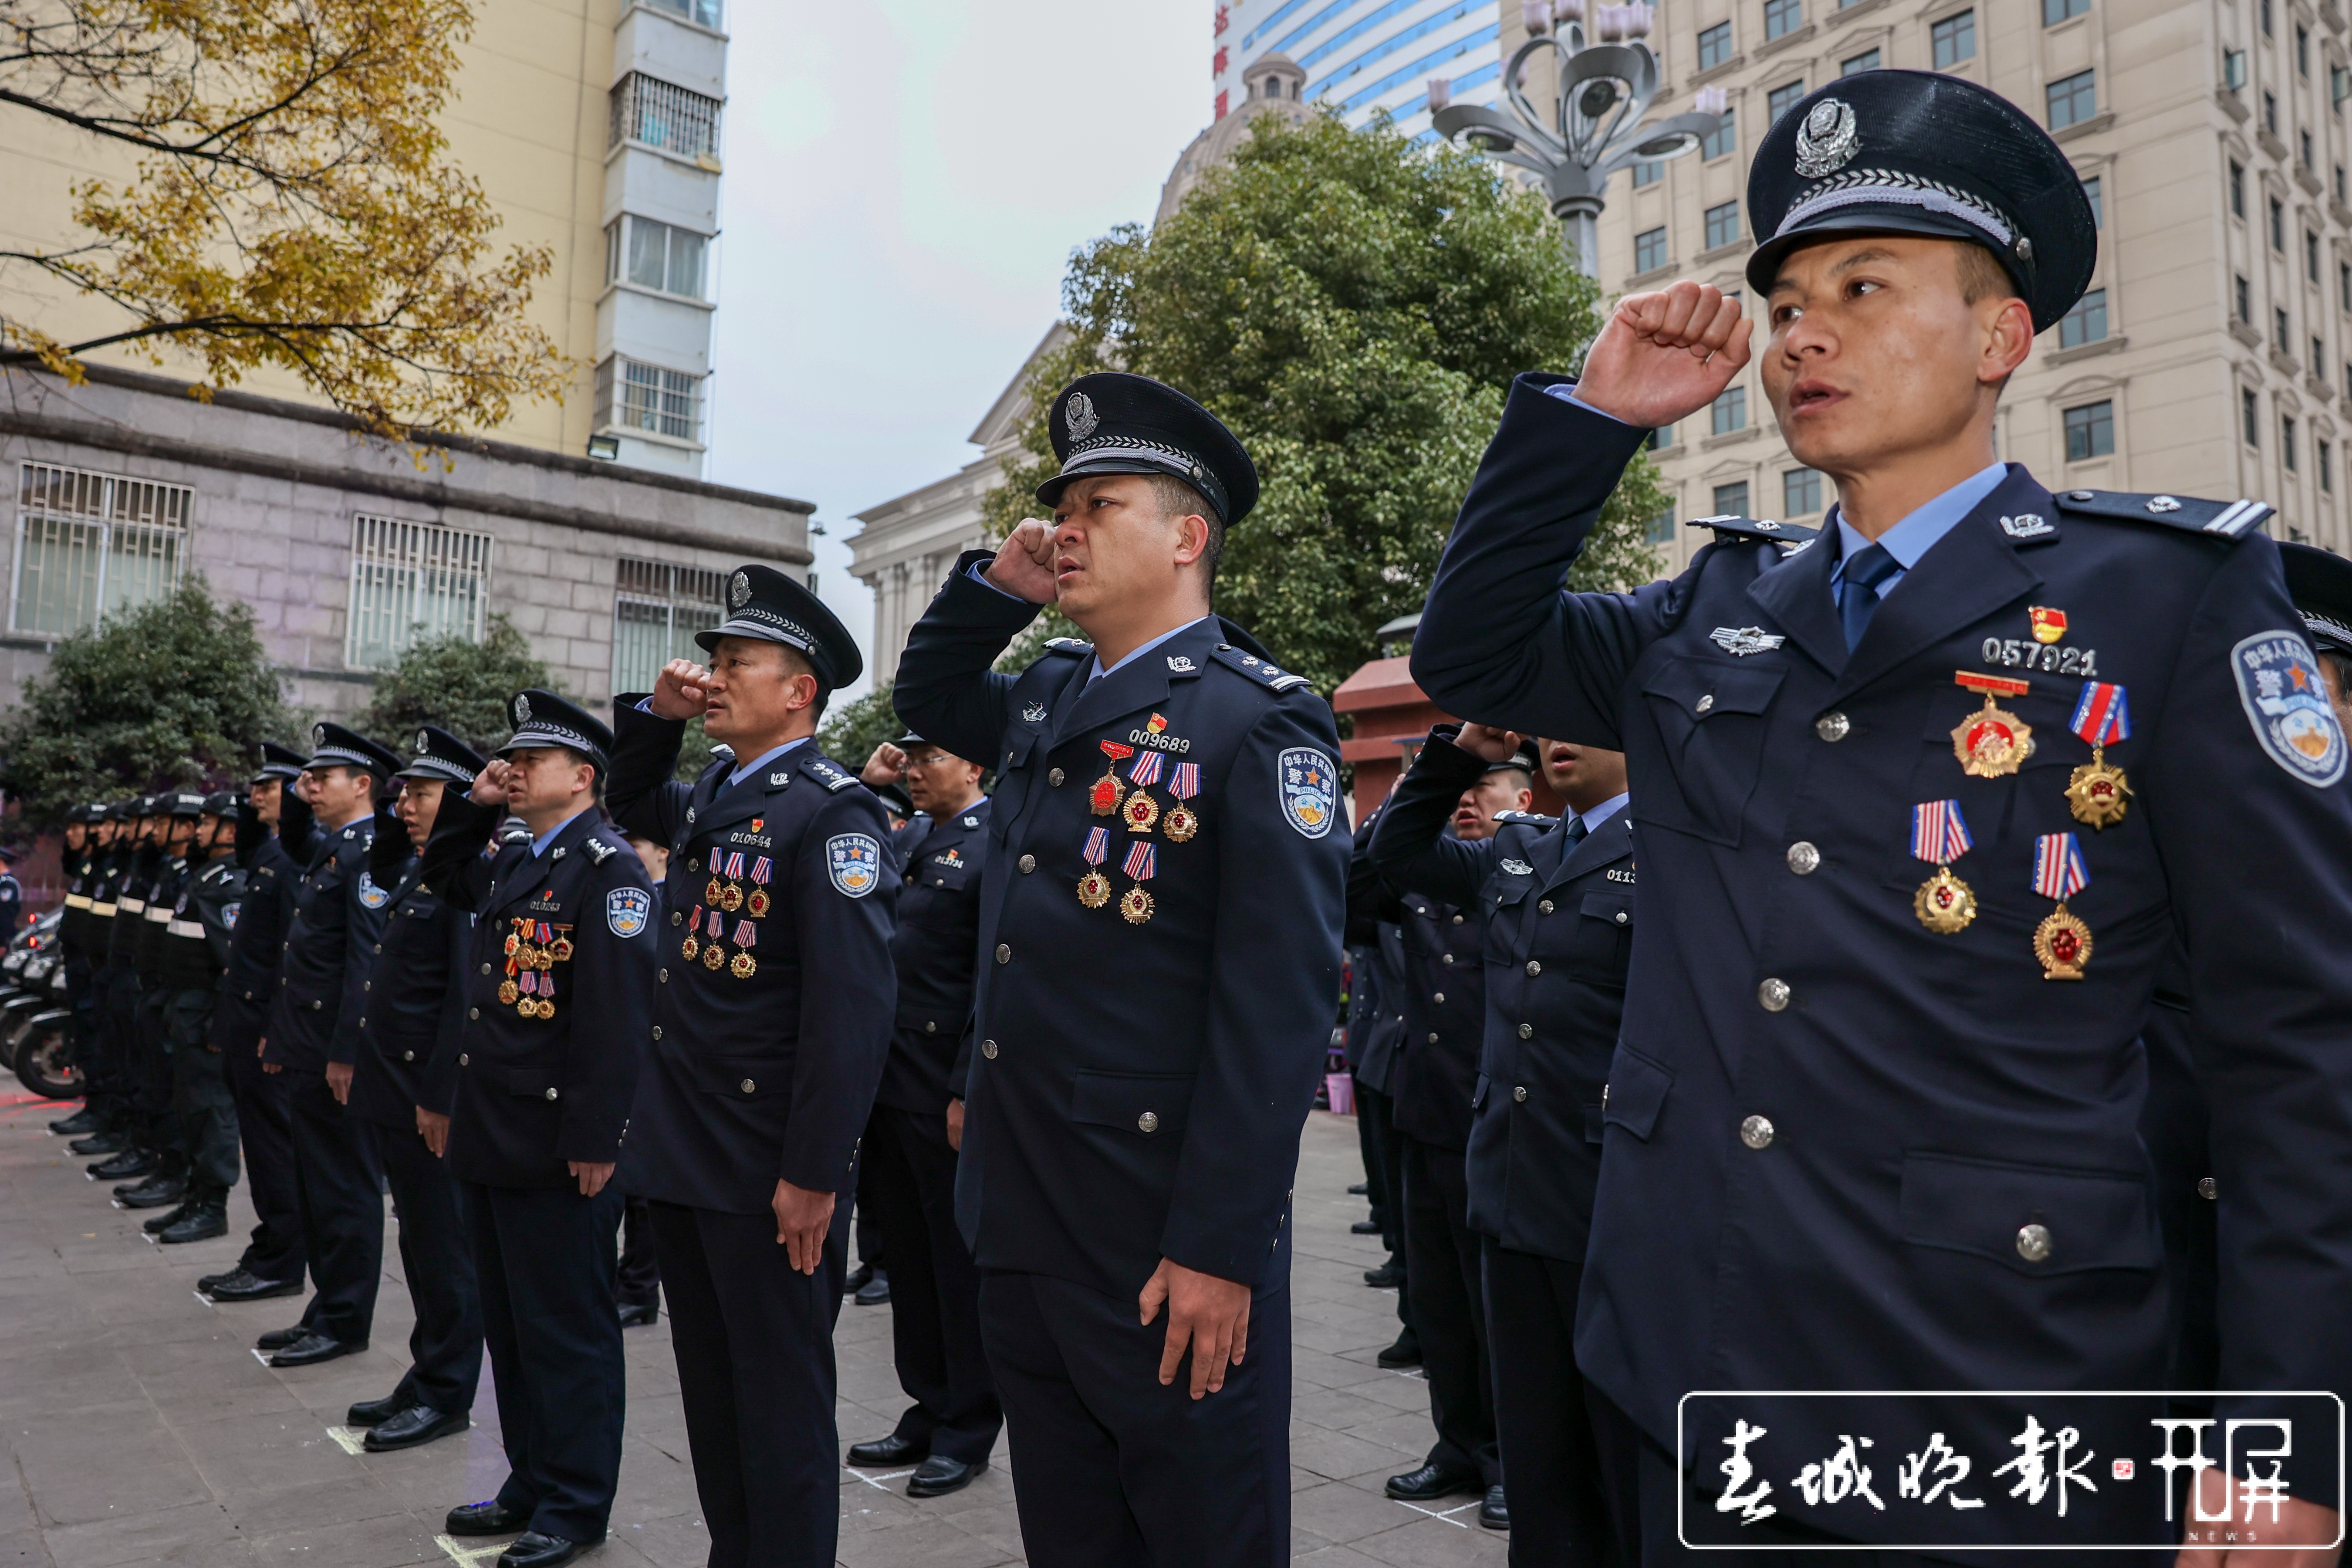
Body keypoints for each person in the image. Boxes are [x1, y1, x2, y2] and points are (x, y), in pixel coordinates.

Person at [1409, 68, 2352, 1561]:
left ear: (1999, 337)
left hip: (1987, 1380)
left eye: (1863, 286)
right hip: (1687, 1360)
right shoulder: (1712, 610)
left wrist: (2283, 1432)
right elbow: (1470, 655)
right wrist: (1593, 420)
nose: (1804, 333)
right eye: (1786, 304)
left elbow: (2297, 1045)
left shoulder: (2159, 602)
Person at [894, 372, 1350, 1568]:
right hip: (1025, 1205)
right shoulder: (1052, 692)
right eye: (1064, 508)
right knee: (1073, 1530)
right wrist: (1004, 582)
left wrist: (1218, 1248)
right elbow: (929, 695)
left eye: (1102, 505)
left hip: (1157, 1232)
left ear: (1187, 537)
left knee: (1202, 1528)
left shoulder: (1259, 724)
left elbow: (1278, 1012)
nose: (1069, 528)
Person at [607, 565, 896, 1568]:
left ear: (799, 690)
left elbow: (849, 1017)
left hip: (769, 1164)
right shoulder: (720, 793)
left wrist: (814, 1173)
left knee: (778, 1412)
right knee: (716, 1402)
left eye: (739, 664)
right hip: (688, 1154)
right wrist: (657, 711)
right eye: (716, 660)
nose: (715, 678)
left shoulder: (832, 814)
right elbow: (630, 790)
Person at [1369, 724, 1641, 1566]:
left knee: (1621, 1454)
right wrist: (1459, 752)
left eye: (1589, 723)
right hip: (1511, 1183)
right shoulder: (1521, 851)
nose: (1563, 741)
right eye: (1550, 723)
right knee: (1537, 1451)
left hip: (1611, 1196)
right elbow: (1393, 855)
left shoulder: (1677, 848)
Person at [422, 690, 655, 1568]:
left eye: (533, 761)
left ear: (584, 778)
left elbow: (619, 1022)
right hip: (496, 1136)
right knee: (513, 1330)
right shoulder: (521, 859)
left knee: (569, 1332)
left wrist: (600, 1140)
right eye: (509, 759)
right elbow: (446, 877)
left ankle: (577, 1501)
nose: (514, 770)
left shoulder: (609, 873)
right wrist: (474, 803)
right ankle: (530, 1479)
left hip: (562, 1148)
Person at [1368, 738, 1535, 1528]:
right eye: (1457, 790)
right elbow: (1356, 881)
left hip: (1498, 1124)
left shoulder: (1534, 872)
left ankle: (1511, 1457)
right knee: (1437, 1302)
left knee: (1494, 1307)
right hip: (1427, 1113)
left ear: (1524, 799)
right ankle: (1458, 1444)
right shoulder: (1427, 872)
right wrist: (1418, 792)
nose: (1467, 800)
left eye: (1484, 786)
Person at [843, 732, 1002, 1498]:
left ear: (975, 765)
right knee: (905, 1256)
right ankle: (928, 1404)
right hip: (886, 1081)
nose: (913, 769)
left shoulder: (992, 841)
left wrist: (969, 1087)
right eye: (907, 759)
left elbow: (991, 980)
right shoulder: (905, 838)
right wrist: (868, 779)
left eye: (932, 756)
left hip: (942, 1087)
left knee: (953, 1262)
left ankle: (968, 1425)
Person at [342, 724, 487, 1453]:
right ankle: (427, 1371)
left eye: (423, 794)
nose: (404, 805)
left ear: (460, 798)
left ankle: (447, 1390)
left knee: (446, 1251)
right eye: (405, 794)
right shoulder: (421, 870)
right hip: (395, 1092)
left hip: (430, 1100)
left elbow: (465, 998)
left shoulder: (462, 883)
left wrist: (440, 1098)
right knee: (423, 1248)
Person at [253, 724, 402, 1368]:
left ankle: (345, 1318)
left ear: (363, 785)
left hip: (334, 1057)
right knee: (318, 1186)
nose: (309, 789)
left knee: (344, 1190)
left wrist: (347, 1053)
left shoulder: (369, 852)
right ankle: (326, 1305)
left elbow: (363, 960)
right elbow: (306, 960)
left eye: (324, 778)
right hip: (307, 1046)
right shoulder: (335, 848)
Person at [201, 742, 314, 1303]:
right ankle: (272, 1247)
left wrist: (278, 1027)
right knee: (264, 1149)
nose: (255, 795)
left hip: (269, 1028)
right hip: (247, 1021)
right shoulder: (271, 853)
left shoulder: (293, 860)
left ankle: (281, 1259)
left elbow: (292, 954)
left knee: (275, 1154)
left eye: (267, 789)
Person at [144, 791, 248, 1244]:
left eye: (208, 822)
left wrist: (220, 1025)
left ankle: (212, 1205)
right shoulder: (204, 874)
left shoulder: (230, 881)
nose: (199, 829)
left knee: (210, 1112)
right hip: (184, 1010)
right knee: (190, 1107)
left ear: (230, 830)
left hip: (206, 1015)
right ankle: (194, 1193)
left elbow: (232, 961)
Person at [117, 791, 206, 1212]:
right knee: (152, 1080)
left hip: (180, 999)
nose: (151, 830)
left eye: (162, 822)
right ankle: (160, 1160)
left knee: (180, 1095)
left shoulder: (196, 875)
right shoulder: (166, 868)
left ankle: (178, 1172)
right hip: (153, 991)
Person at [615, 831, 670, 1330]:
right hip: (627, 1055)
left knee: (644, 1190)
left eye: (640, 842)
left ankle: (640, 1288)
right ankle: (631, 1277)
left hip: (655, 1057)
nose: (629, 850)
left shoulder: (671, 898)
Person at [50, 804, 111, 1141]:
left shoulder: (105, 869)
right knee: (86, 1039)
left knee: (98, 1041)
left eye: (78, 828)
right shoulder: (86, 867)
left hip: (93, 969)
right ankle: (94, 1105)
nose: (69, 835)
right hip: (79, 967)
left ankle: (103, 1110)